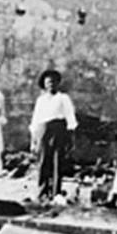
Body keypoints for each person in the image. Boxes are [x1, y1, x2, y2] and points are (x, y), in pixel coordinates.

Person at [30, 69, 78, 201]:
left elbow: (70, 117)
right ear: (44, 85)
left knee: (58, 162)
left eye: (53, 82)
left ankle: (56, 192)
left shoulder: (63, 98)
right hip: (44, 131)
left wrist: (71, 135)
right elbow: (36, 119)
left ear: (58, 83)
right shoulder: (41, 100)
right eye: (48, 82)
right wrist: (34, 139)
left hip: (59, 130)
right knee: (44, 161)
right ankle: (42, 191)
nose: (51, 85)